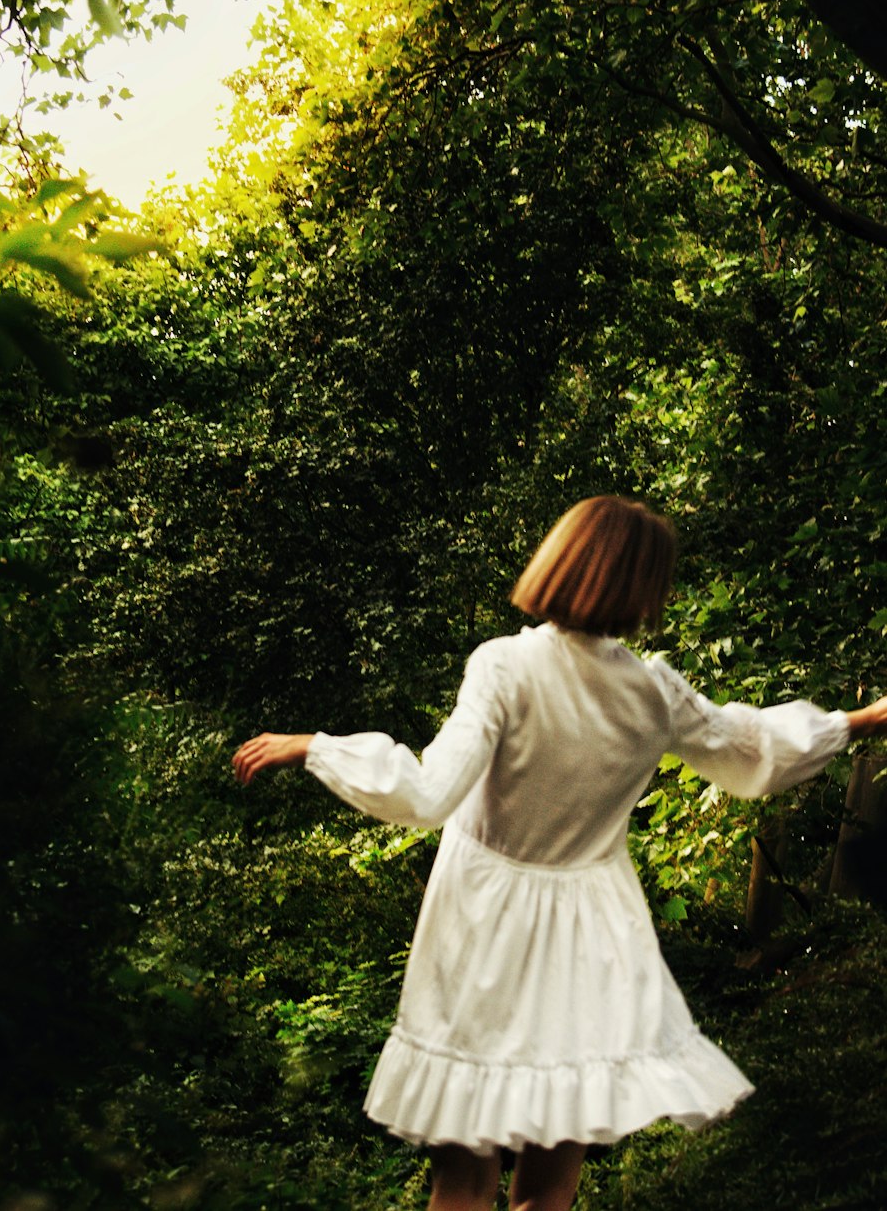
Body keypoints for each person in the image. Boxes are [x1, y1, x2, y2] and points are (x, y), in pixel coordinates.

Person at [232, 496, 887, 1211]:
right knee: (550, 1180)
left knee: (464, 1172)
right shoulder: (653, 690)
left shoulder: (506, 667)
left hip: (483, 932)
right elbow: (752, 747)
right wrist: (866, 717)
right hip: (591, 938)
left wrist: (315, 748)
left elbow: (426, 794)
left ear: (562, 559)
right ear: (644, 588)